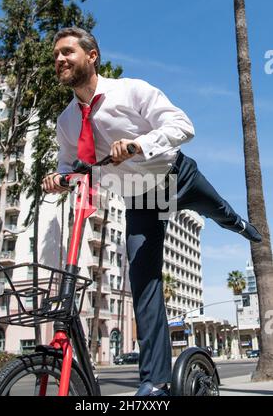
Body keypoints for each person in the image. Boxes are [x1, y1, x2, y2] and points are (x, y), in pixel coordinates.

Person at [42, 27, 262, 396]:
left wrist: (137, 144)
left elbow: (182, 126)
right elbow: (71, 167)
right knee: (144, 284)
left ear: (91, 55)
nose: (60, 60)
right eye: (56, 56)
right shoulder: (66, 121)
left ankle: (238, 223)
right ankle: (154, 382)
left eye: (67, 52)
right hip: (139, 201)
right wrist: (58, 180)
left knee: (219, 209)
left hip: (176, 177)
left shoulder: (130, 90)